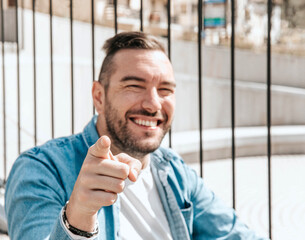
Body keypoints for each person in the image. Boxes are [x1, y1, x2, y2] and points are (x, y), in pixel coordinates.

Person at [5, 31, 268, 240]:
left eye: (165, 89)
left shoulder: (174, 171)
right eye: (134, 85)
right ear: (99, 96)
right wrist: (78, 218)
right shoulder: (42, 169)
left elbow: (237, 234)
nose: (154, 104)